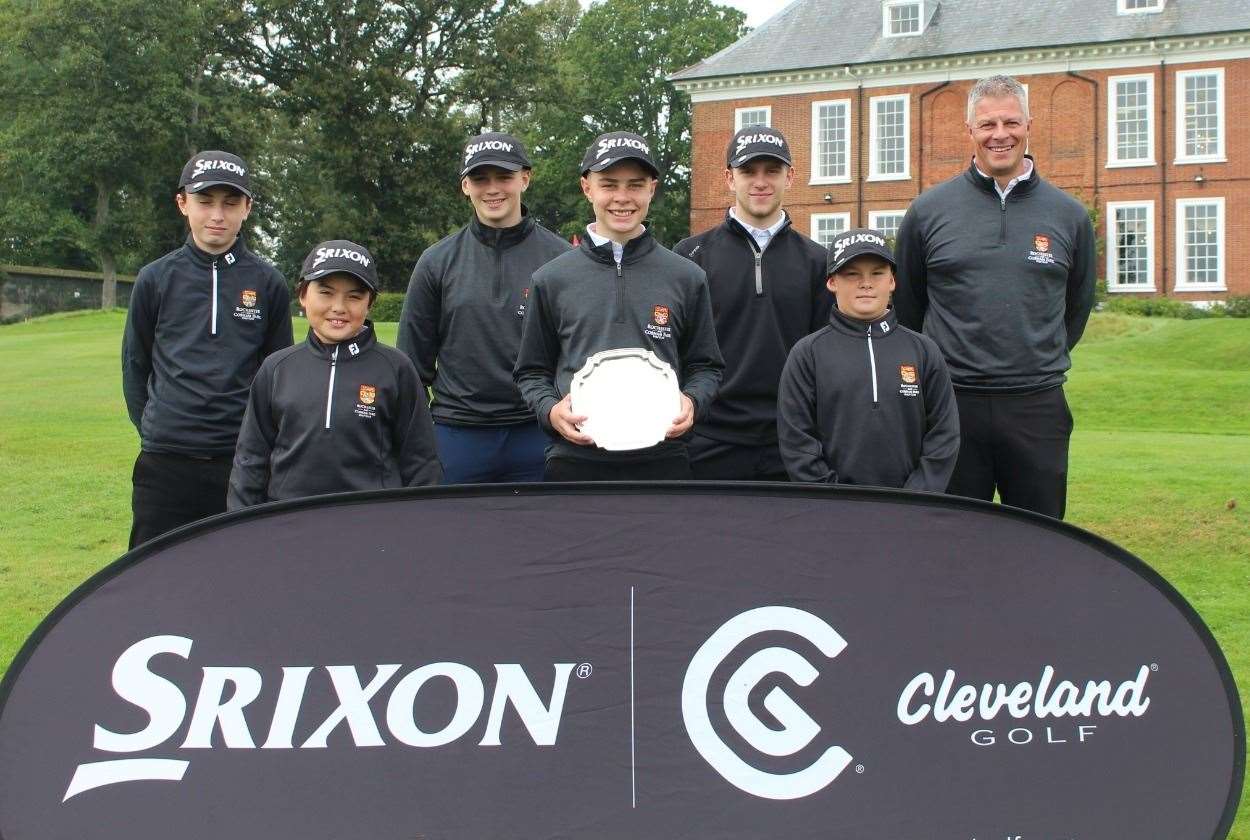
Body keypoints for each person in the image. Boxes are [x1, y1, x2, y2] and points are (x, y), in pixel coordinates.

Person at [893, 74, 1095, 519]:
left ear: (1029, 125)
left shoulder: (1069, 215)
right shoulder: (928, 212)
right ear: (970, 132)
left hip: (1036, 406)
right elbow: (908, 306)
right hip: (951, 405)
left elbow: (1076, 307)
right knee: (955, 539)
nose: (999, 135)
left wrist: (1035, 355)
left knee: (1040, 540)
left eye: (1010, 122)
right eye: (987, 125)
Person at [514, 131, 724, 481]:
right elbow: (531, 371)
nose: (622, 198)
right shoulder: (551, 278)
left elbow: (706, 366)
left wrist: (692, 401)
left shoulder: (686, 276)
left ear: (652, 189)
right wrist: (550, 411)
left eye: (635, 185)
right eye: (609, 184)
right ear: (587, 188)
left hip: (664, 457)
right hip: (576, 459)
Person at [121, 150, 292, 548]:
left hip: (240, 460)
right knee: (151, 572)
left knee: (238, 572)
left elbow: (277, 374)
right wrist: (156, 426)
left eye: (230, 202)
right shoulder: (155, 279)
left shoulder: (268, 282)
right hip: (165, 460)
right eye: (205, 201)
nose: (217, 214)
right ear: (183, 203)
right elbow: (136, 365)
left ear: (247, 208)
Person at [397, 132, 570, 483]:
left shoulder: (563, 259)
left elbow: (576, 353)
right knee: (454, 537)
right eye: (480, 178)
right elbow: (412, 366)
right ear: (465, 186)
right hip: (457, 436)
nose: (492, 189)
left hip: (537, 433)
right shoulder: (436, 262)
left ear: (525, 178)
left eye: (504, 177)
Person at [228, 240, 441, 507]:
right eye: (326, 293)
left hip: (373, 521)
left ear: (370, 303)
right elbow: (251, 458)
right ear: (303, 296)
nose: (339, 307)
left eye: (354, 296)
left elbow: (420, 460)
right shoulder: (276, 368)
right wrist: (242, 520)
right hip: (288, 520)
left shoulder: (396, 368)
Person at [674, 126, 831, 481]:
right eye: (748, 171)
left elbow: (825, 356)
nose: (760, 182)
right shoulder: (690, 256)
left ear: (790, 177)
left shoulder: (818, 261)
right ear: (729, 178)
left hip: (792, 441)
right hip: (709, 438)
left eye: (772, 171)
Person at [778, 229, 958, 490]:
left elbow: (944, 433)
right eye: (852, 274)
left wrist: (918, 495)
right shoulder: (807, 354)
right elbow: (797, 440)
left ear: (892, 281)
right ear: (832, 282)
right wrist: (834, 499)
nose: (866, 283)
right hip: (833, 510)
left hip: (912, 510)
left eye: (877, 273)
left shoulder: (923, 350)